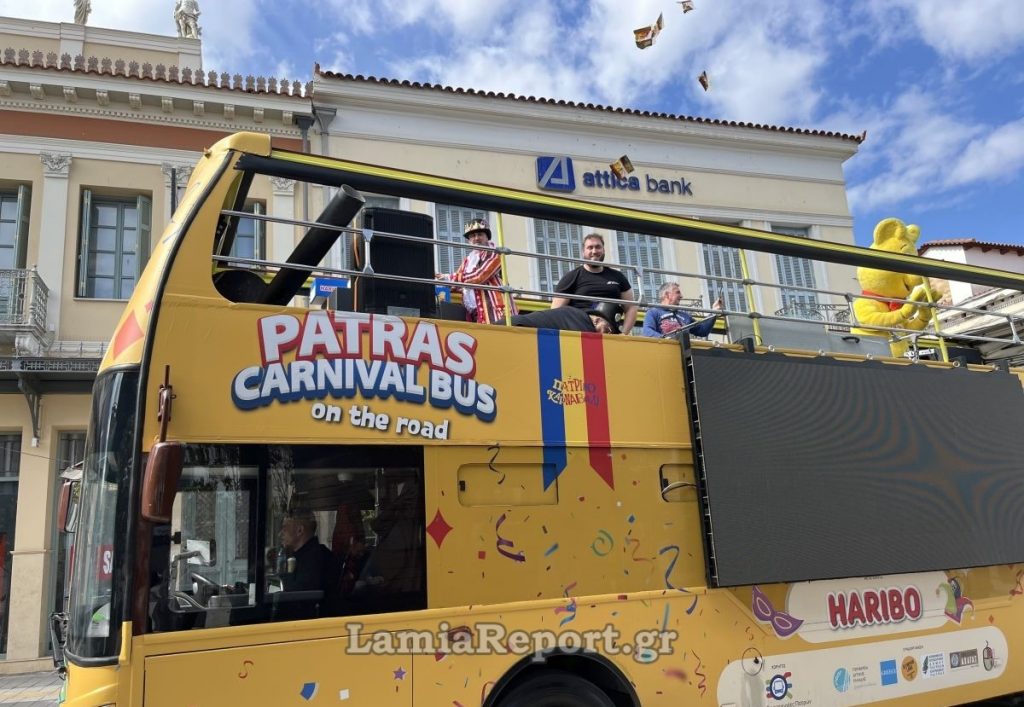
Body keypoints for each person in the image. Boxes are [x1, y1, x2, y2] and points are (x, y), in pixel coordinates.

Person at [550, 233, 638, 334]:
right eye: (590, 248)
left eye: (598, 247)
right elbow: (555, 311)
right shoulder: (571, 277)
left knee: (604, 325)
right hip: (581, 327)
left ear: (604, 250)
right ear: (583, 252)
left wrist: (624, 334)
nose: (594, 251)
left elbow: (631, 307)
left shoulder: (618, 277)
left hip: (610, 328)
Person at [437, 219, 517, 324]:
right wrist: (439, 280)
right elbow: (457, 284)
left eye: (480, 234)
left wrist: (449, 277)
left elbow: (479, 276)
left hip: (493, 310)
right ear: (469, 240)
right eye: (472, 236)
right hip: (474, 313)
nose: (476, 238)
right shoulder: (468, 260)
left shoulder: (494, 253)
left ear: (487, 237)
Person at [276, 509, 339, 618]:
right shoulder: (301, 556)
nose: (280, 534)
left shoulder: (316, 558)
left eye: (285, 528)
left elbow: (297, 596)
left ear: (300, 531)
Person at [642, 282, 724, 338]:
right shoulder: (654, 312)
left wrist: (714, 312)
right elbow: (647, 331)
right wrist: (666, 339)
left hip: (683, 352)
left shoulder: (685, 315)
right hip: (664, 350)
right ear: (667, 295)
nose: (681, 296)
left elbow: (703, 331)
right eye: (677, 292)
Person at [510, 301, 619, 334]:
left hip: (514, 328)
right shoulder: (583, 323)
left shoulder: (574, 315)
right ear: (597, 320)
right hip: (516, 330)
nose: (607, 336)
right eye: (607, 330)